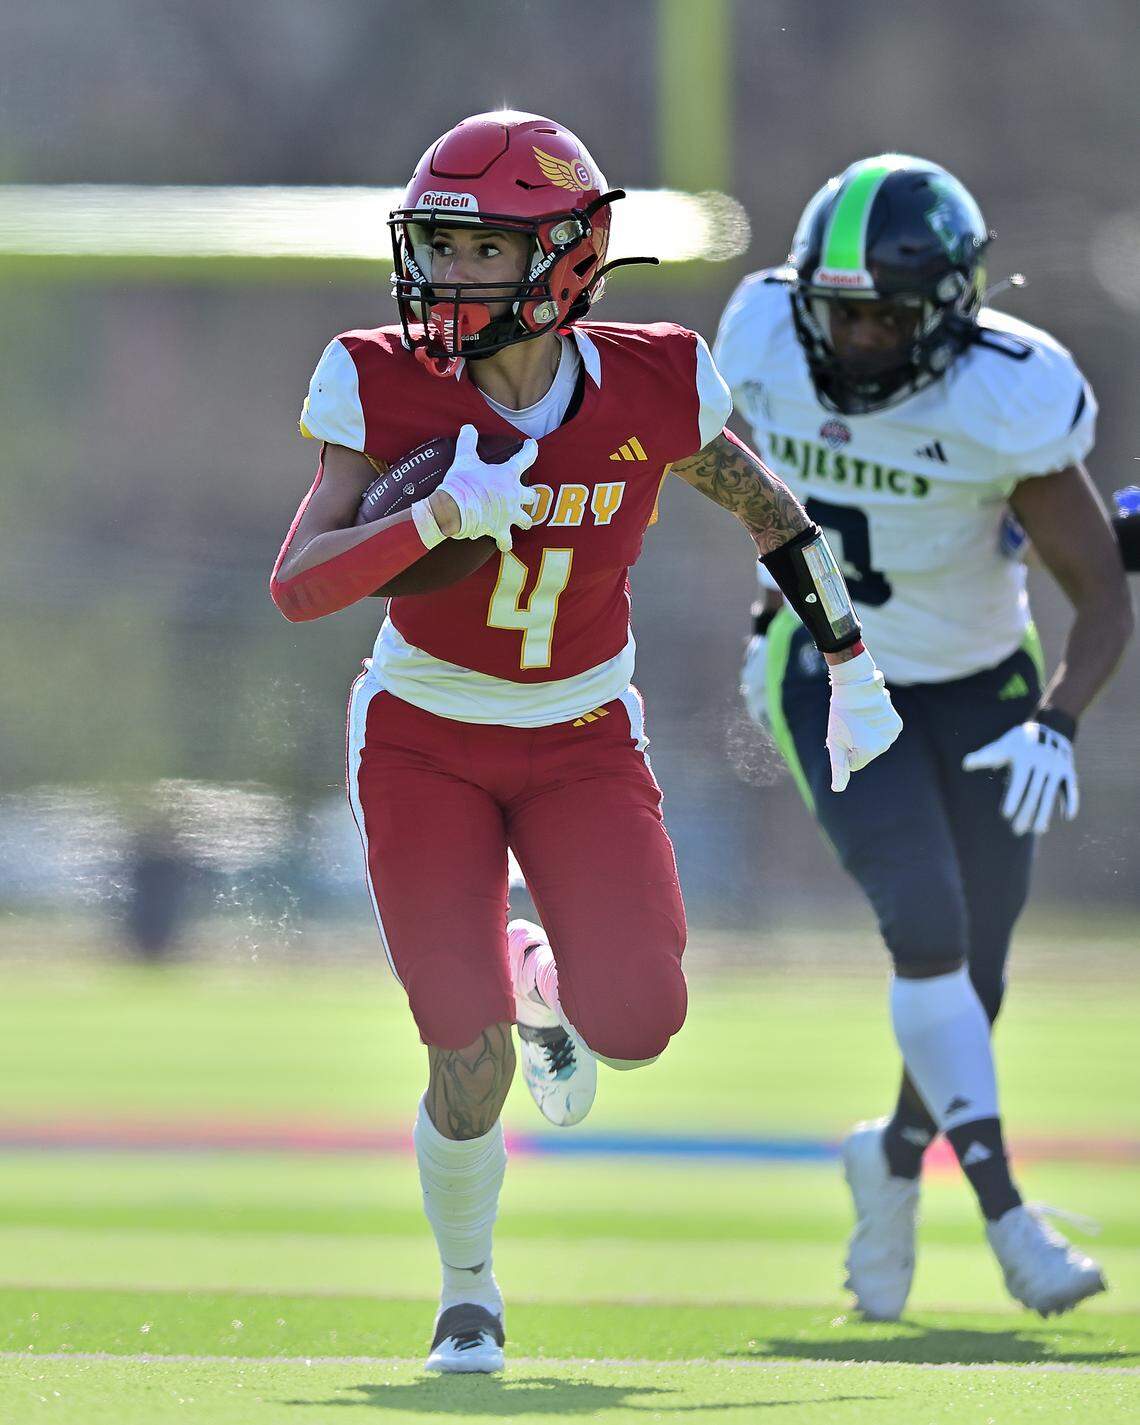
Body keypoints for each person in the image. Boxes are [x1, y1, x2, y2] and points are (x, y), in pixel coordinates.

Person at [269, 111, 901, 1373]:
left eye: (482, 250)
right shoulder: (379, 378)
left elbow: (772, 513)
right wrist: (434, 515)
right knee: (463, 1048)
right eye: (437, 246)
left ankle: (541, 975)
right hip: (424, 733)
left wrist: (850, 660)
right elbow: (298, 583)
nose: (447, 274)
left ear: (563, 259)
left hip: (582, 735)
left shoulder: (654, 381)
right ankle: (469, 1293)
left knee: (641, 1020)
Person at [715, 154, 1132, 1320]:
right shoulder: (758, 335)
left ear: (950, 311)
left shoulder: (1006, 394)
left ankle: (893, 1158)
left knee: (976, 972)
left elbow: (1102, 593)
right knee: (928, 927)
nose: (855, 339)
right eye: (838, 311)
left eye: (885, 316)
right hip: (829, 669)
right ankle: (1007, 1216)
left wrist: (1057, 719)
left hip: (980, 680)